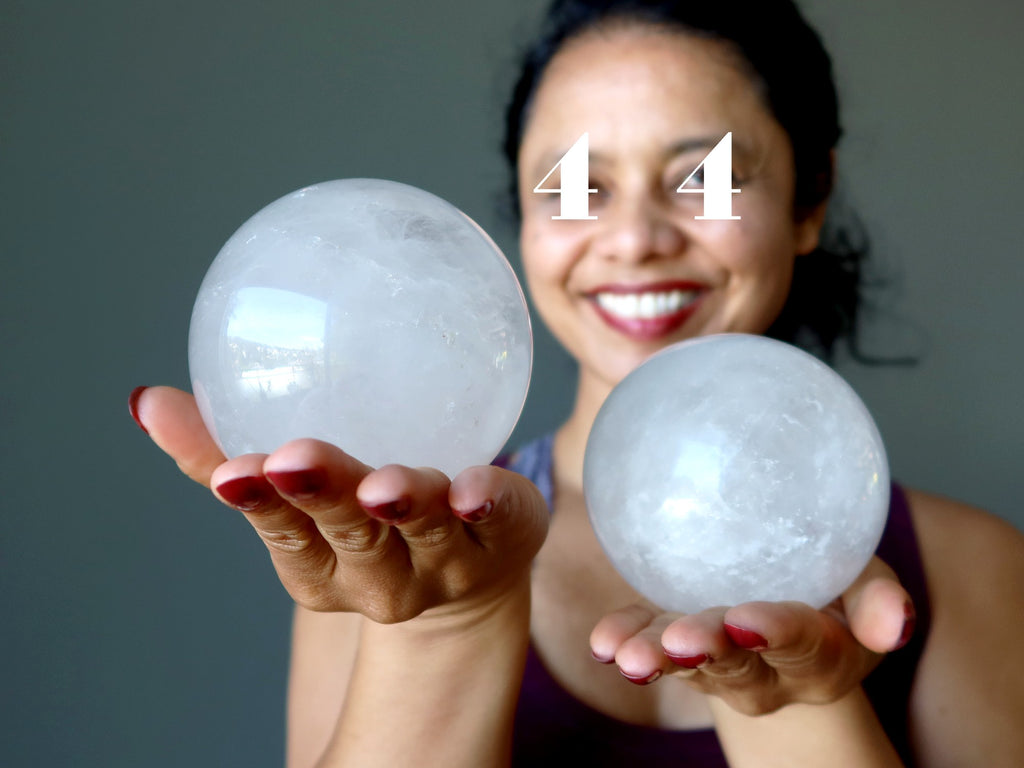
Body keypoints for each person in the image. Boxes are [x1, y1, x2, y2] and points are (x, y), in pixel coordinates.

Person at [128, 0, 1024, 765]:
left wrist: (798, 703)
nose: (633, 238)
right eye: (573, 187)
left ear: (809, 198)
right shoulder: (383, 546)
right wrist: (447, 624)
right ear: (519, 219)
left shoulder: (970, 569)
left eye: (705, 180)